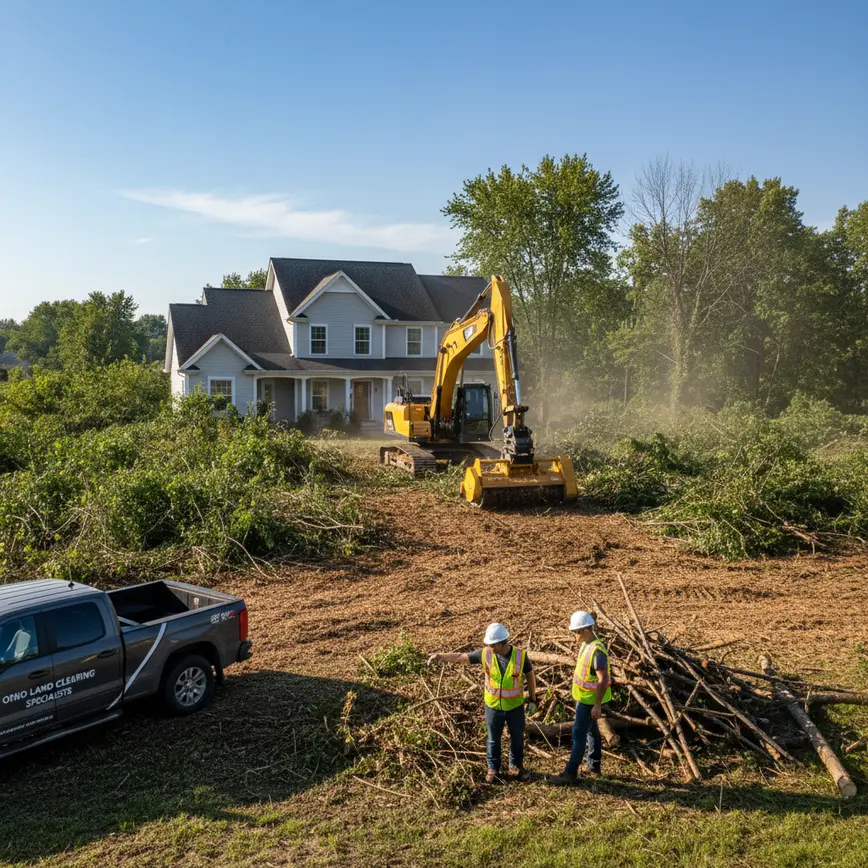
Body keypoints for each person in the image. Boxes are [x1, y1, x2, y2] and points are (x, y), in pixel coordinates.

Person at [428, 622, 538, 783]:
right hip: (493, 707)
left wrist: (534, 698)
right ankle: (493, 768)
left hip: (515, 707)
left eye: (493, 645)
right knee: (493, 739)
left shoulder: (520, 656)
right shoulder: (485, 654)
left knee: (517, 738)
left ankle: (516, 767)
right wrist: (440, 656)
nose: (490, 647)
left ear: (503, 642)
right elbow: (460, 657)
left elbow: (530, 674)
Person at [550, 610, 612, 784]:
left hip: (589, 701)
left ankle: (570, 773)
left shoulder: (597, 652)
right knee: (592, 731)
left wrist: (597, 706)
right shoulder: (587, 643)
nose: (574, 636)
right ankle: (594, 765)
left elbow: (603, 680)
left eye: (576, 632)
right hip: (584, 698)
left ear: (586, 630)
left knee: (578, 735)